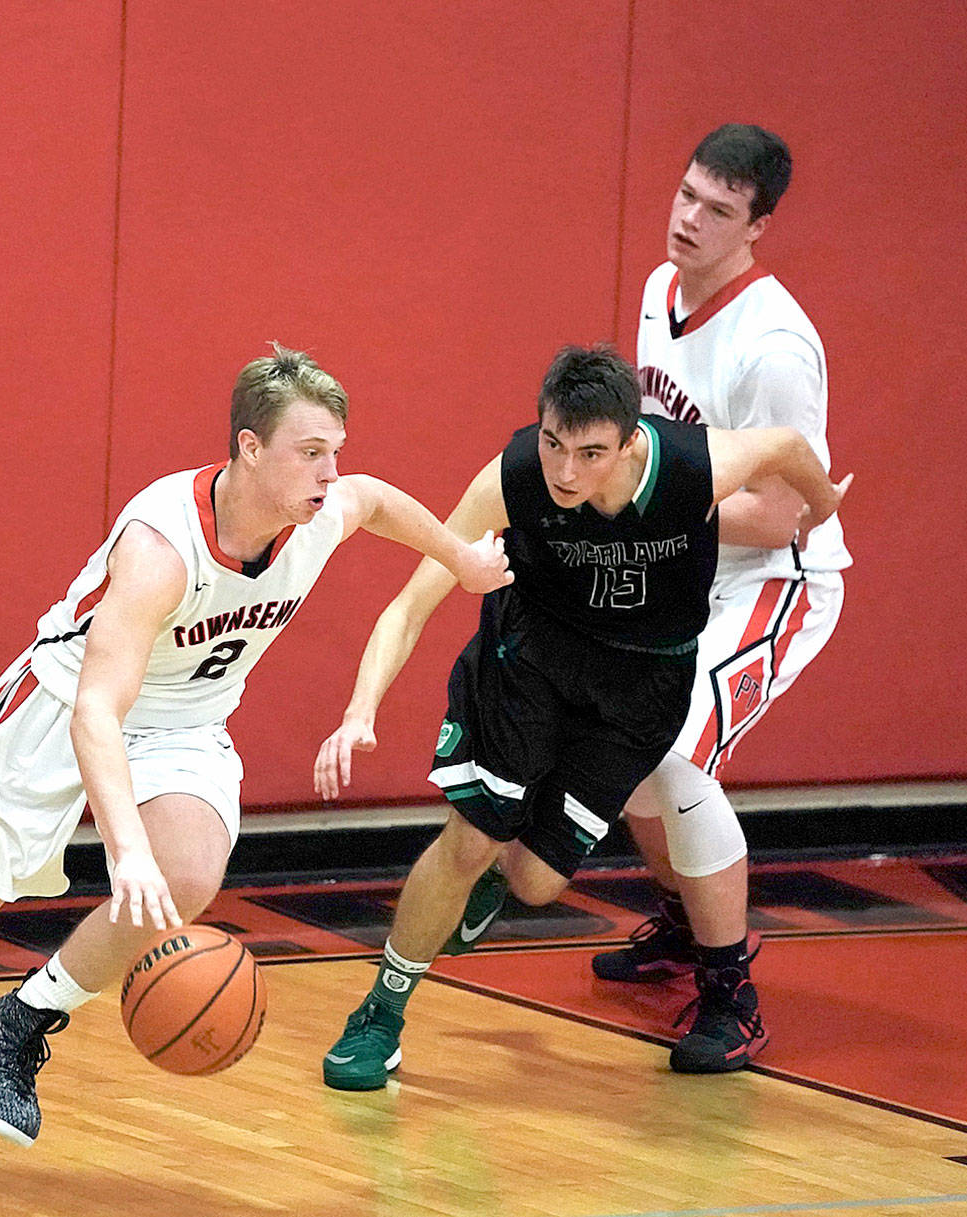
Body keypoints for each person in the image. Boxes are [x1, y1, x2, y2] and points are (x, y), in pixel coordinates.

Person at [0, 343, 512, 1149]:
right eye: (311, 453)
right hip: (63, 703)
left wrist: (463, 559)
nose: (330, 472)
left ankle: (21, 1021)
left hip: (184, 721)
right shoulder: (164, 546)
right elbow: (96, 708)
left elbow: (376, 501)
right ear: (249, 447)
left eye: (334, 451)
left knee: (188, 875)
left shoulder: (321, 513)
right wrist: (125, 846)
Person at [314, 344, 850, 1091]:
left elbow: (791, 448)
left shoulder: (695, 469)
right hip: (530, 657)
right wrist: (358, 710)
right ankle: (381, 1012)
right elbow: (410, 604)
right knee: (472, 835)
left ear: (632, 441)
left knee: (534, 880)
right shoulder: (515, 480)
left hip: (639, 685)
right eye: (554, 443)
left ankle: (502, 870)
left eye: (590, 452)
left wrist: (822, 512)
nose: (566, 471)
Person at [584, 124, 851, 1072]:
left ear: (759, 227)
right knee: (620, 736)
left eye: (718, 210)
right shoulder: (662, 291)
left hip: (778, 581)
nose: (689, 219)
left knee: (677, 755)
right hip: (692, 565)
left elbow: (783, 511)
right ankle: (685, 917)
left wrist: (640, 497)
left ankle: (732, 990)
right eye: (686, 193)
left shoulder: (776, 342)